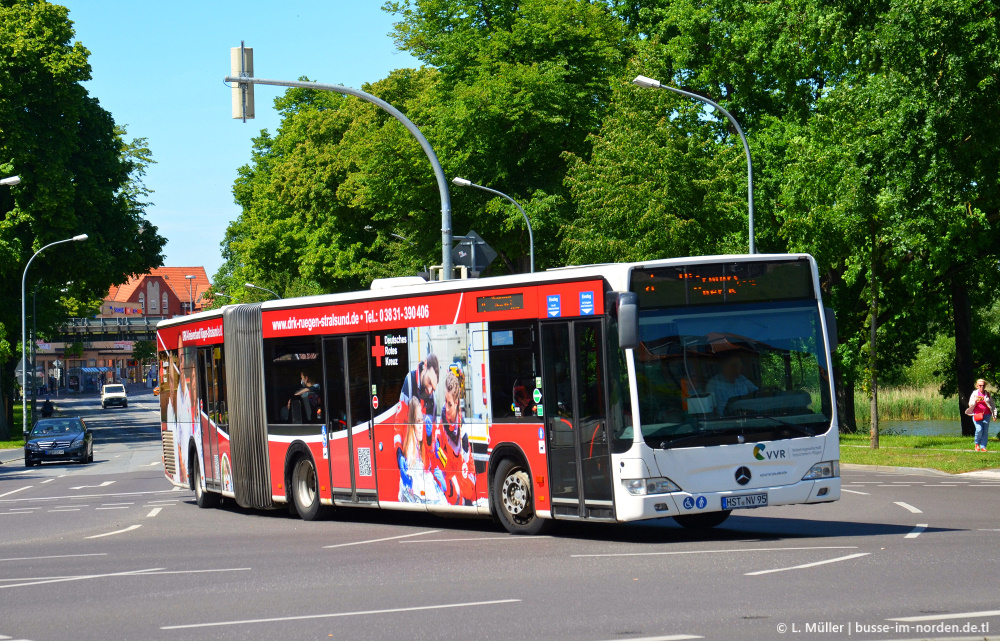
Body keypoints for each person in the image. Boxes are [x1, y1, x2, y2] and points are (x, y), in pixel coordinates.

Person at [968, 379, 996, 452]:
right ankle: (977, 443)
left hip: (987, 414)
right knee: (979, 429)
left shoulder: (987, 394)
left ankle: (983, 446)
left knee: (985, 431)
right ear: (977, 386)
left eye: (983, 385)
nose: (982, 387)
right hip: (977, 414)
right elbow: (970, 404)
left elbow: (992, 405)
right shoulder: (974, 394)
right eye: (980, 385)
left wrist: (994, 415)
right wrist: (975, 400)